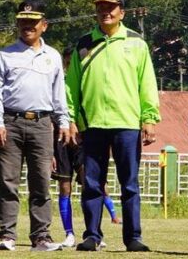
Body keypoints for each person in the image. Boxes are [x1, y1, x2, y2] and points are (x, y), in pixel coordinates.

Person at [65, 0, 160, 253]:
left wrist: (149, 118)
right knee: (92, 183)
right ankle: (92, 236)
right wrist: (72, 119)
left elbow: (147, 83)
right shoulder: (84, 44)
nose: (106, 12)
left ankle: (133, 237)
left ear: (122, 12)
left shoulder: (136, 42)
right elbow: (71, 86)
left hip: (127, 123)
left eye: (111, 7)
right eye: (101, 7)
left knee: (129, 183)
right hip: (92, 123)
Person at [0, 0, 70, 252]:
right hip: (10, 122)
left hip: (42, 123)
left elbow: (59, 93)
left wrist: (64, 122)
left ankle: (41, 236)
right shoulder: (5, 54)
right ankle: (7, 235)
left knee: (41, 182)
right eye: (23, 21)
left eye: (33, 22)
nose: (28, 26)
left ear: (44, 25)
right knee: (8, 181)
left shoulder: (54, 56)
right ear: (17, 23)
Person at [53, 46, 120, 249]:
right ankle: (69, 234)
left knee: (91, 183)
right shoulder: (57, 83)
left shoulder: (87, 81)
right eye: (66, 61)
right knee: (65, 187)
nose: (68, 64)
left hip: (84, 139)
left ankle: (93, 231)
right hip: (61, 140)